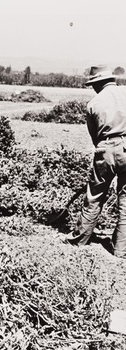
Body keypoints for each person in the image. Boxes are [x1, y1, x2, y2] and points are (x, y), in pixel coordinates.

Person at [62, 65, 126, 258]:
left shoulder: (94, 103)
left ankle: (80, 240)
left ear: (97, 83)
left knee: (95, 195)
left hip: (105, 149)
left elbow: (94, 136)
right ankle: (121, 250)